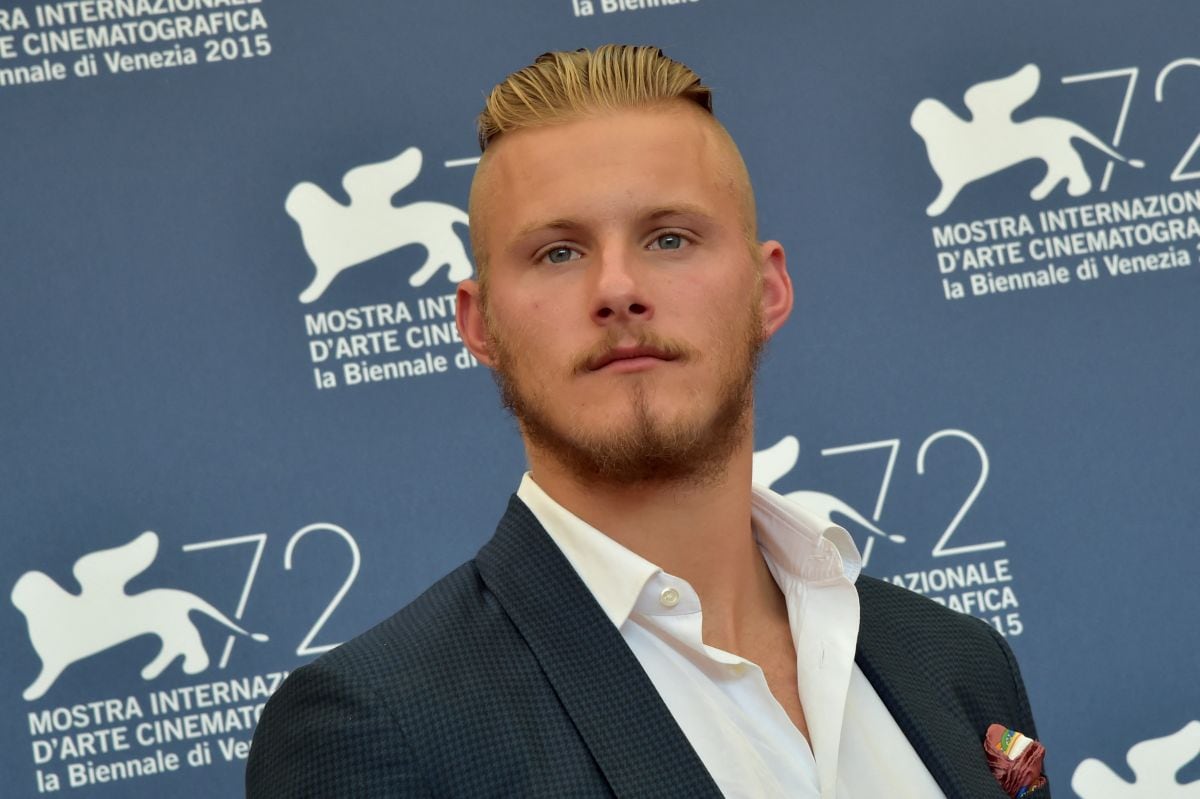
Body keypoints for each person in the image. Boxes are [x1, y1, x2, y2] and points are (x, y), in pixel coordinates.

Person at [246, 45, 1047, 798]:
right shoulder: (374, 726)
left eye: (670, 237)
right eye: (558, 252)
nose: (618, 288)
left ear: (768, 291)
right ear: (479, 323)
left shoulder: (956, 662)